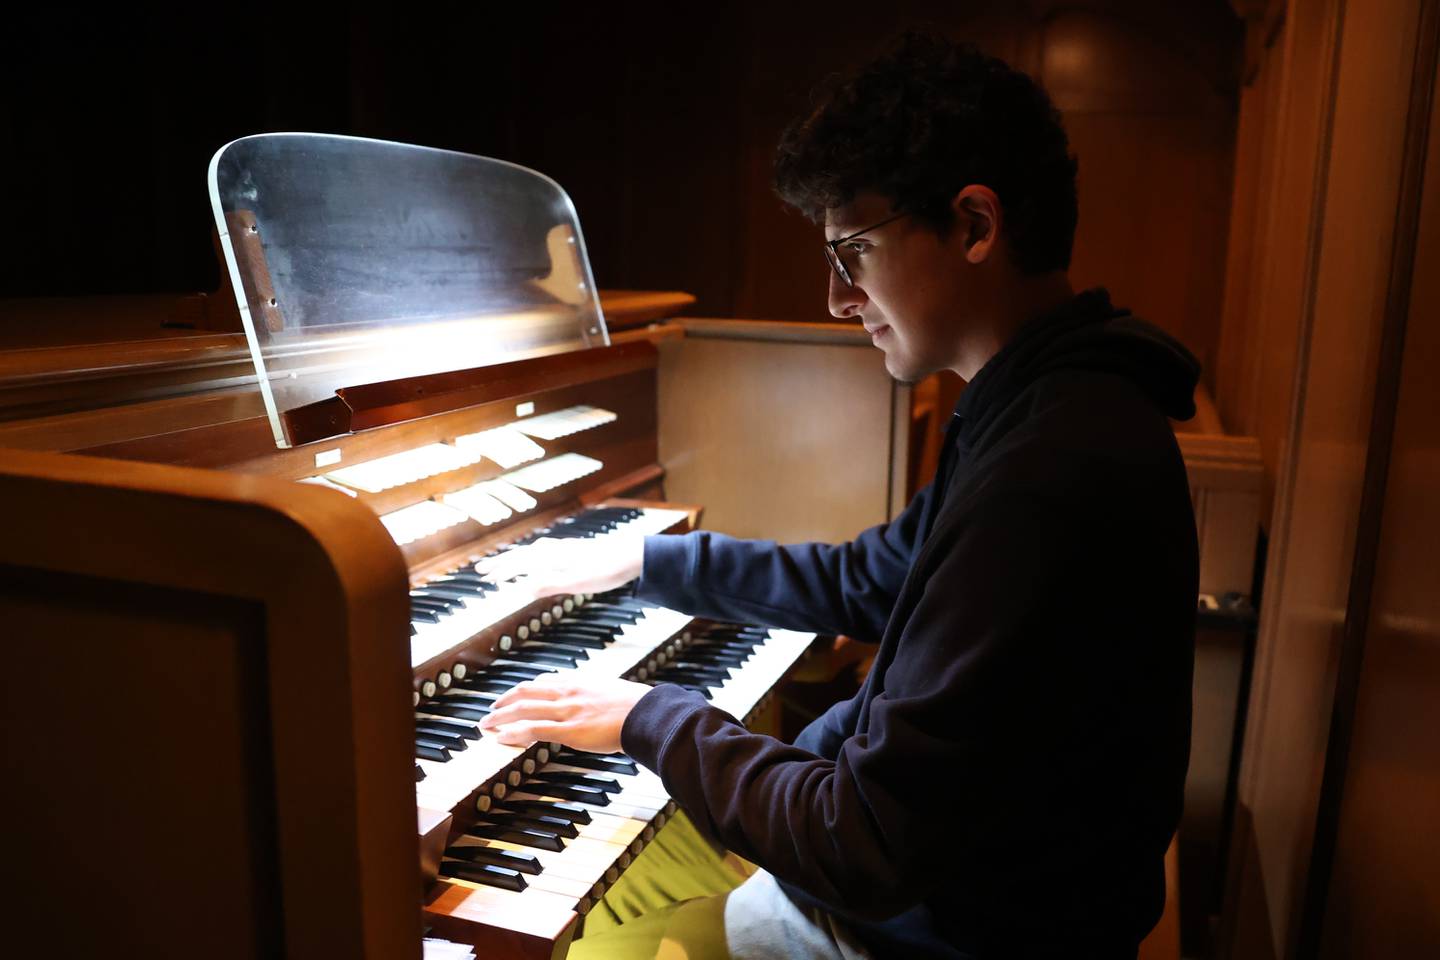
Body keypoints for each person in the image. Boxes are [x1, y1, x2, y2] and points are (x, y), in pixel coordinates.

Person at [478, 30, 1200, 959]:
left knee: (581, 942)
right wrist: (651, 559)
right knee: (618, 871)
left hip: (954, 931)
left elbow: (865, 846)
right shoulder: (1045, 405)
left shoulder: (1050, 470)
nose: (836, 298)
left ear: (975, 226)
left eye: (851, 253)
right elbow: (874, 577)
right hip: (964, 892)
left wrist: (644, 714)